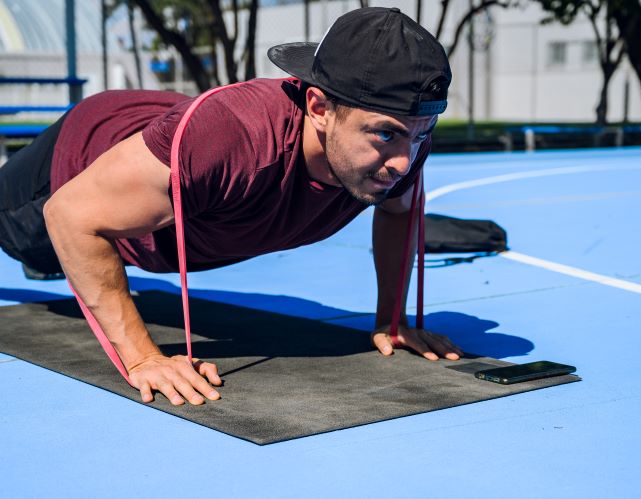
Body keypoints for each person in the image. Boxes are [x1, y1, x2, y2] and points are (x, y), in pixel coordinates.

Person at [0, 7, 463, 406]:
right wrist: (144, 358)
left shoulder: (399, 150)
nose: (405, 161)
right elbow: (69, 214)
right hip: (75, 163)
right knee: (35, 241)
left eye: (421, 132)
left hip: (160, 173)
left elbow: (399, 211)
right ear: (319, 107)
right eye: (385, 133)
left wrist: (393, 319)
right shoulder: (233, 140)